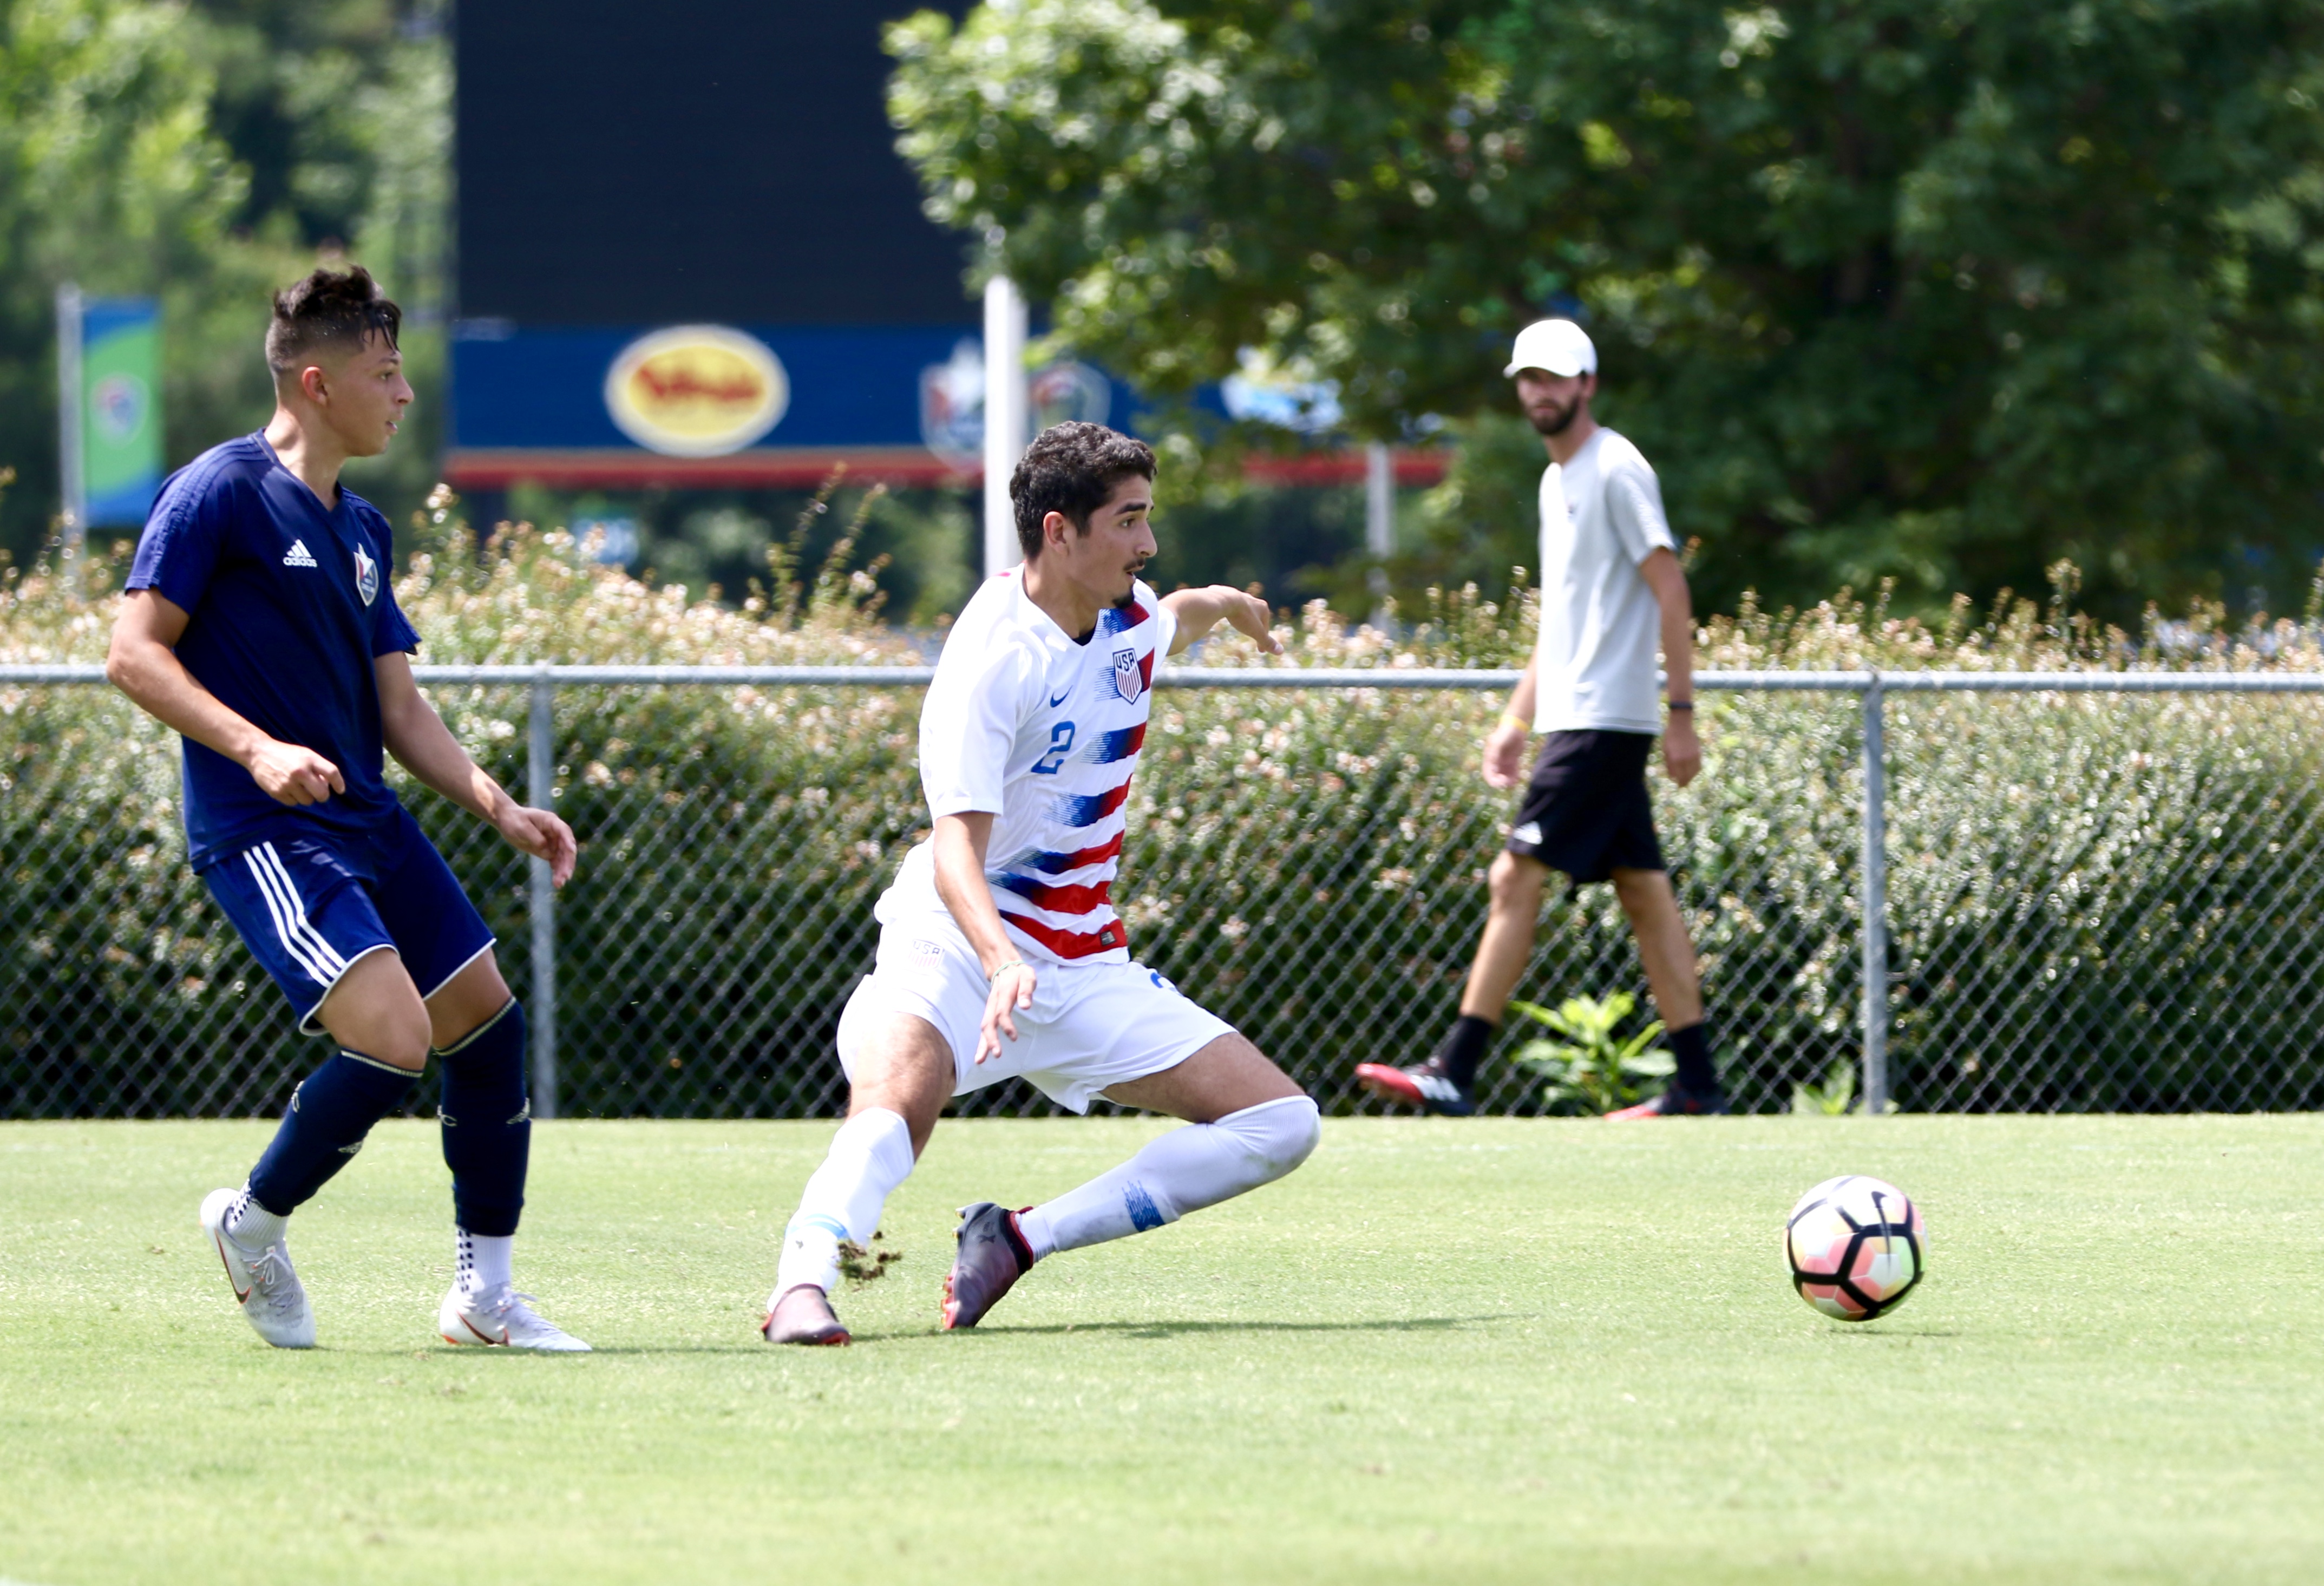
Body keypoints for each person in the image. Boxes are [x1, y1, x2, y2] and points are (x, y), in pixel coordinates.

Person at [106, 267, 588, 1351]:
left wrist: (496, 801)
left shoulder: (363, 526)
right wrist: (256, 748)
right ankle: (251, 1224)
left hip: (367, 820)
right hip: (264, 828)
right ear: (317, 383)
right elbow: (132, 656)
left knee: (486, 1021)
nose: (404, 393)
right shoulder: (216, 492)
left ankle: (484, 1299)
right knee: (392, 1037)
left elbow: (399, 705)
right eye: (385, 371)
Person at [763, 421, 1321, 1346]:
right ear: (1059, 532)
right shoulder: (993, 657)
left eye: (1148, 518)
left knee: (1282, 1123)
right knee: (898, 1102)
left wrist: (1229, 603)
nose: (1146, 543)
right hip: (954, 942)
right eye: (1128, 521)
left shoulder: (1128, 614)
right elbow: (953, 850)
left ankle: (1021, 1237)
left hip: (1081, 965)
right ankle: (802, 1280)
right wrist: (998, 956)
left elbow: (1174, 611)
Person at [1356, 318, 1729, 1120]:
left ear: (1587, 384)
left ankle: (1455, 1067)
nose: (1540, 391)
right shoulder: (1555, 481)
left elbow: (1672, 591)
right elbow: (1561, 621)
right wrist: (1515, 719)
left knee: (1513, 875)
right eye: (1529, 378)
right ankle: (1697, 1084)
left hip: (1603, 719)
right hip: (1574, 716)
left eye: (1556, 378)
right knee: (1645, 893)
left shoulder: (1615, 469)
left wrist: (1681, 715)